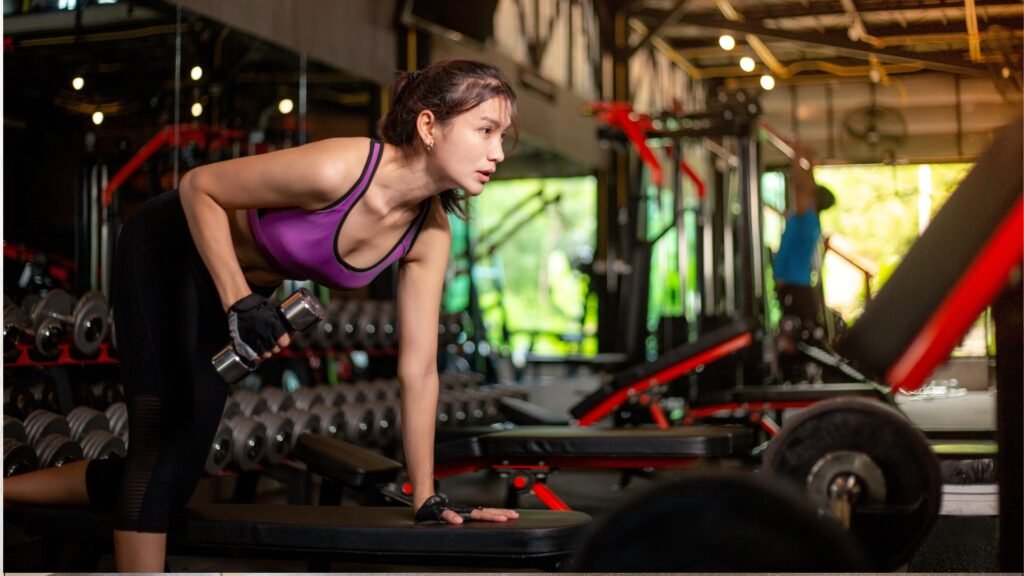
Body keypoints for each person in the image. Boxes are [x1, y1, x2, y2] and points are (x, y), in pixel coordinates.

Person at [4, 58, 520, 571]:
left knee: (178, 476)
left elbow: (420, 370)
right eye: (485, 130)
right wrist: (241, 303)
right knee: (158, 456)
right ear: (429, 125)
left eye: (503, 135)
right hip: (168, 247)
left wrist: (425, 495)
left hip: (234, 289)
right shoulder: (341, 168)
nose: (497, 152)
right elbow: (198, 187)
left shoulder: (428, 236)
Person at [771, 135, 837, 373]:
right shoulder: (809, 219)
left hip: (794, 285)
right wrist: (808, 163)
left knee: (795, 334)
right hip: (796, 284)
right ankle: (800, 372)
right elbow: (807, 187)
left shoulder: (806, 217)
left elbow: (801, 187)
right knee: (800, 331)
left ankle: (796, 373)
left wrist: (797, 157)